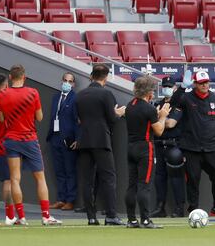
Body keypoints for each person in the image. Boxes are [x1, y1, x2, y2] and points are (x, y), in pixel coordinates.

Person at [0, 64, 61, 226]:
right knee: (40, 178)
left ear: (10, 77)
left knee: (14, 179)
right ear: (24, 77)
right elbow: (39, 117)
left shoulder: (3, 94)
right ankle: (46, 216)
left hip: (11, 140)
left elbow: (2, 120)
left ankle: (21, 217)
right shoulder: (33, 93)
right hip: (30, 140)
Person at [170, 70, 215, 219]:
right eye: (201, 83)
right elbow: (173, 103)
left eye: (206, 82)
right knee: (193, 179)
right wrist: (183, 88)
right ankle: (193, 210)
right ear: (195, 83)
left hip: (211, 147)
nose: (205, 85)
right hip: (191, 148)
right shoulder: (186, 98)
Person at [75, 64, 126, 226]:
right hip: (101, 141)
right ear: (106, 77)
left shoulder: (80, 95)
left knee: (87, 180)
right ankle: (111, 215)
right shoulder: (106, 94)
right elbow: (112, 119)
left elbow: (79, 119)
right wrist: (119, 113)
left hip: (84, 141)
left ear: (91, 76)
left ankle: (91, 217)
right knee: (109, 178)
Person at [125, 76, 171, 229]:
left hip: (131, 147)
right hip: (145, 149)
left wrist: (155, 116)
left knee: (132, 185)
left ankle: (131, 220)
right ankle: (145, 220)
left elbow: (143, 121)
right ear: (149, 92)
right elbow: (158, 131)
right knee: (144, 185)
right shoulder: (149, 108)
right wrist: (163, 116)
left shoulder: (130, 105)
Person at [150, 76, 185, 218]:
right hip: (159, 145)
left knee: (176, 178)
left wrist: (159, 119)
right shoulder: (157, 104)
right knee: (159, 178)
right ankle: (160, 207)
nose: (167, 89)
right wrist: (160, 119)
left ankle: (179, 208)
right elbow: (152, 125)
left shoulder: (178, 104)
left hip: (173, 144)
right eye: (165, 86)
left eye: (170, 87)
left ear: (175, 88)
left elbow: (171, 124)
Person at [47, 72, 79, 211]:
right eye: (65, 80)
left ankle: (70, 200)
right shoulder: (56, 97)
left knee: (69, 171)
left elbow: (78, 121)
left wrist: (78, 139)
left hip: (68, 139)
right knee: (59, 170)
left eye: (70, 81)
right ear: (61, 81)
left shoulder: (75, 98)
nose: (67, 83)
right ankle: (61, 199)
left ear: (73, 84)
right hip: (55, 137)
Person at [0, 73, 16, 226]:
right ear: (6, 85)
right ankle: (9, 216)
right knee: (8, 182)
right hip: (5, 146)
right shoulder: (8, 102)